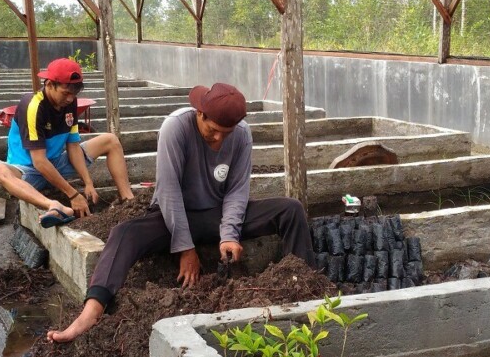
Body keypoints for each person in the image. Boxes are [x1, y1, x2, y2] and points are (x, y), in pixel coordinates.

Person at [48, 82, 315, 342]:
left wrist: (229, 235)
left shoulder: (242, 134)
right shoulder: (175, 127)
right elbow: (169, 192)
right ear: (200, 114)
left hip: (217, 215)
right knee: (123, 233)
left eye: (227, 132)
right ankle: (92, 310)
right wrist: (185, 248)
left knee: (290, 209)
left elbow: (236, 191)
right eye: (213, 130)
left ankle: (305, 284)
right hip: (171, 216)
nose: (220, 139)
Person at [0, 58, 134, 227]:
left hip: (56, 164)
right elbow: (39, 162)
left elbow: (72, 146)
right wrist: (73, 195)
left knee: (110, 140)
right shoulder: (33, 106)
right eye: (65, 93)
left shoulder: (70, 103)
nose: (70, 99)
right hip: (28, 171)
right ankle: (53, 205)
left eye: (74, 94)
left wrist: (88, 183)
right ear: (50, 84)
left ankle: (129, 201)